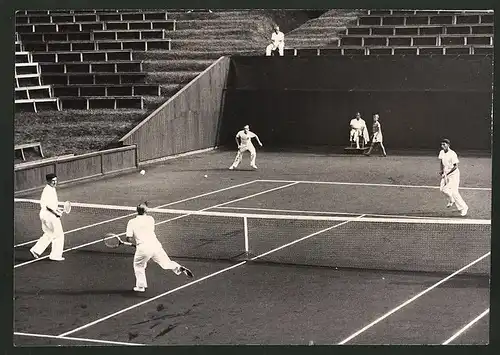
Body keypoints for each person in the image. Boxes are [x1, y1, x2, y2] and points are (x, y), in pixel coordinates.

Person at [125, 202, 193, 292]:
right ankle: (178, 267)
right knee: (166, 263)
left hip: (143, 248)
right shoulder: (151, 219)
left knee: (138, 266)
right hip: (155, 245)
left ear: (136, 211)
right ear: (146, 211)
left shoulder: (131, 222)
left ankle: (140, 286)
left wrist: (135, 244)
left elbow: (129, 238)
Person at [30, 173, 65, 261]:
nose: (55, 182)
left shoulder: (50, 189)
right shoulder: (48, 190)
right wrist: (55, 213)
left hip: (45, 215)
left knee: (49, 233)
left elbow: (51, 205)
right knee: (59, 235)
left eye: (56, 180)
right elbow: (48, 207)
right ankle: (55, 255)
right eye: (53, 181)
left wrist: (57, 209)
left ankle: (36, 250)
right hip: (49, 216)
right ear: (48, 181)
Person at [438, 138, 468, 216]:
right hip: (445, 173)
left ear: (448, 145)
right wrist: (441, 170)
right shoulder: (441, 152)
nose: (442, 146)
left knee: (453, 191)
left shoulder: (452, 154)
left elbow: (455, 166)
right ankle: (451, 200)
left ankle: (463, 207)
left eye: (444, 144)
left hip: (453, 175)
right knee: (442, 189)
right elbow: (441, 162)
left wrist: (447, 174)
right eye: (442, 144)